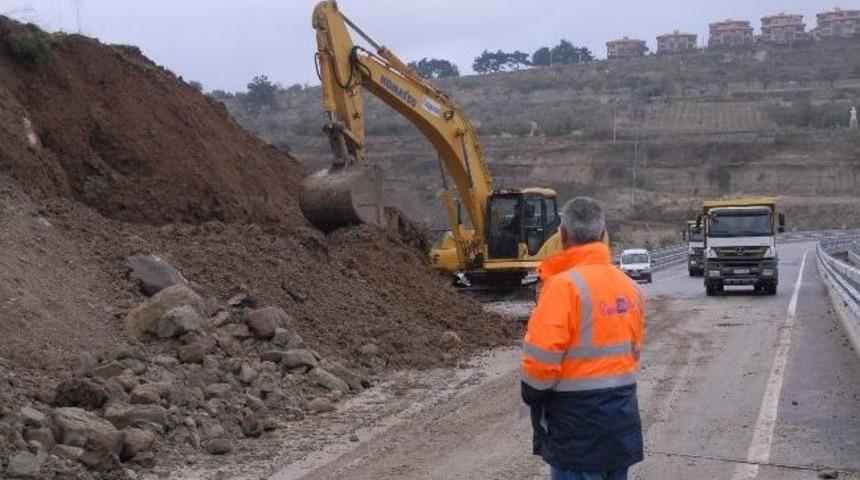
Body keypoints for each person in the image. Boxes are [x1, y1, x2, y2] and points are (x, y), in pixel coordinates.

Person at [521, 197, 646, 480]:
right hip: (621, 425)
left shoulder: (562, 287)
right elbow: (632, 355)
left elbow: (538, 369)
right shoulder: (631, 288)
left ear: (563, 235)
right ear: (603, 234)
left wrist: (532, 397)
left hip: (576, 432)